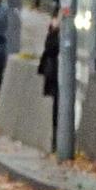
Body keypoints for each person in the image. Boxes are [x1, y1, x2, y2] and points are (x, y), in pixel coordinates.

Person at [37, 12, 61, 145]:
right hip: (55, 75)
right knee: (56, 107)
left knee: (59, 106)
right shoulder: (53, 35)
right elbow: (50, 49)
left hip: (59, 75)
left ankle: (58, 139)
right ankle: (55, 138)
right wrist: (54, 30)